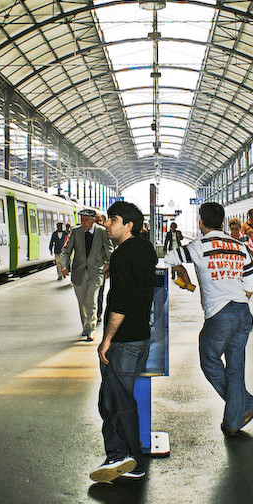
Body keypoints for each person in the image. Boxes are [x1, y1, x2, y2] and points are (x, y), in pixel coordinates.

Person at [165, 202, 253, 436]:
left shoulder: (199, 246)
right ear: (222, 222)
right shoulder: (239, 246)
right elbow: (251, 279)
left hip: (220, 315)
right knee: (236, 370)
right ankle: (232, 422)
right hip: (242, 312)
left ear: (201, 222)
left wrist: (182, 270)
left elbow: (169, 257)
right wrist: (238, 298)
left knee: (209, 359)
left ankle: (245, 403)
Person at [89, 201, 158, 483]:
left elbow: (121, 301)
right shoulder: (143, 250)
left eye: (113, 220)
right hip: (139, 335)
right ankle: (118, 453)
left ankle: (130, 458)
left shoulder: (122, 257)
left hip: (124, 339)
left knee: (118, 401)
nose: (106, 224)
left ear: (128, 225)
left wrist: (106, 339)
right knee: (113, 398)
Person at [61, 209, 114, 341]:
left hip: (96, 272)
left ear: (92, 220)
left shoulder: (102, 232)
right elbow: (67, 250)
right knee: (82, 302)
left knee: (92, 300)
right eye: (81, 219)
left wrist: (110, 265)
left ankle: (91, 328)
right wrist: (63, 265)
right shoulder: (75, 232)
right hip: (79, 272)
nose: (82, 222)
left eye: (85, 220)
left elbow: (109, 251)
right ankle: (86, 326)